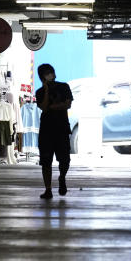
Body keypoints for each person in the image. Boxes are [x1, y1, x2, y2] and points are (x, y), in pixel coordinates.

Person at [35, 63, 73, 199]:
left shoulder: (64, 87)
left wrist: (53, 107)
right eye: (46, 74)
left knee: (65, 160)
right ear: (41, 77)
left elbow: (67, 104)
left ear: (54, 73)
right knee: (46, 161)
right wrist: (46, 91)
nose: (49, 75)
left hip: (62, 128)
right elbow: (44, 107)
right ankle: (48, 189)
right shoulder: (39, 92)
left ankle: (62, 177)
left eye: (50, 72)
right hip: (46, 130)